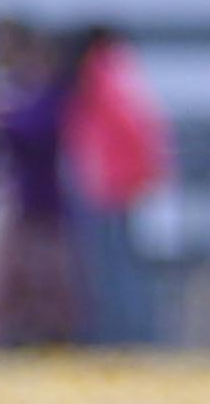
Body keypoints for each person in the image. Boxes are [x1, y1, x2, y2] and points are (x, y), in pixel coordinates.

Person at [0, 16, 83, 348]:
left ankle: (47, 338)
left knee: (46, 281)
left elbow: (41, 132)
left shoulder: (47, 90)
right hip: (18, 196)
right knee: (7, 280)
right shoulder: (11, 87)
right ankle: (10, 338)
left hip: (43, 199)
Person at [56, 23, 167, 347]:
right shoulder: (121, 72)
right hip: (117, 182)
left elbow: (128, 130)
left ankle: (124, 338)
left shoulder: (101, 75)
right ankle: (128, 336)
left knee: (112, 270)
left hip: (107, 185)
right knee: (119, 266)